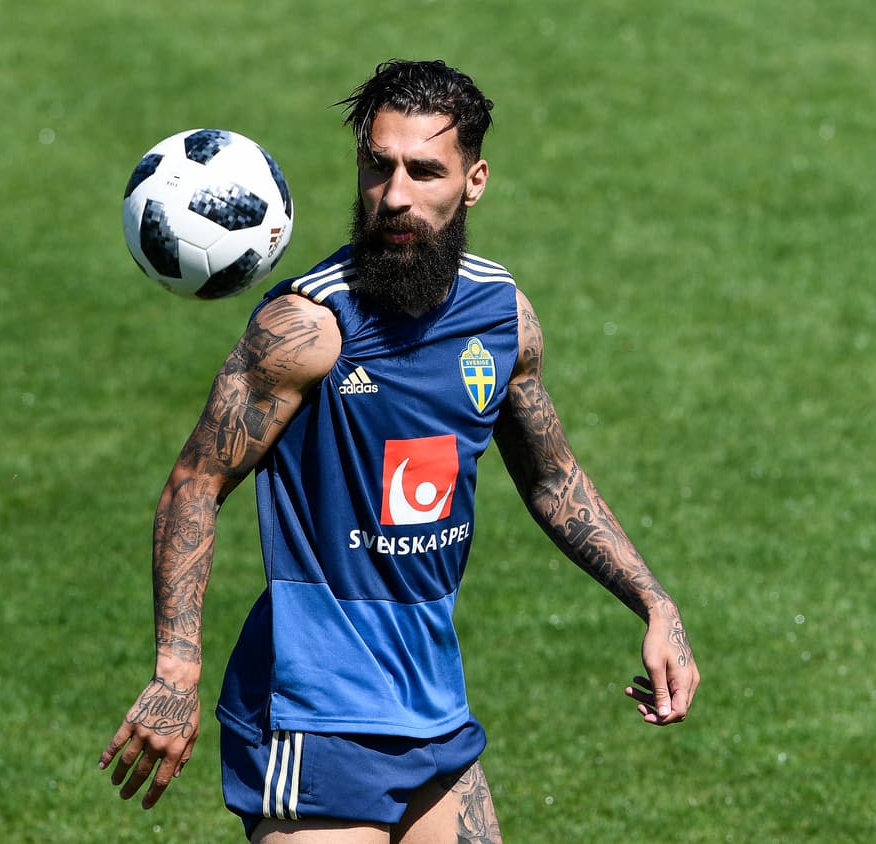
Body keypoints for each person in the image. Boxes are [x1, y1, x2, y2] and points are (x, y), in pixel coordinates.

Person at [100, 59, 700, 842]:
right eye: (378, 166)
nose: (395, 195)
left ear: (474, 181)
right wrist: (175, 672)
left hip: (430, 704)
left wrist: (655, 603)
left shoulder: (500, 317)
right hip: (310, 713)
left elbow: (552, 477)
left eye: (425, 171)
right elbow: (195, 483)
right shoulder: (308, 328)